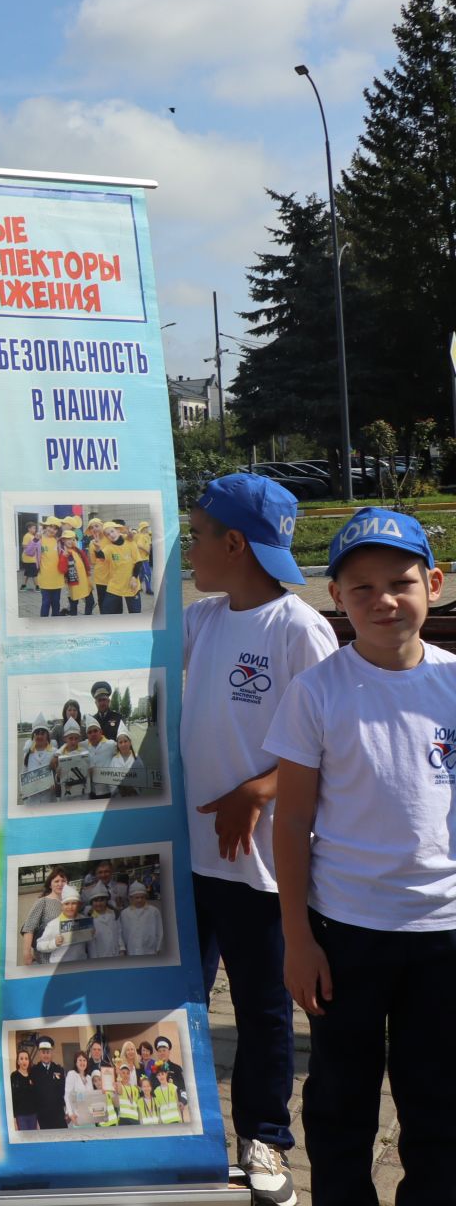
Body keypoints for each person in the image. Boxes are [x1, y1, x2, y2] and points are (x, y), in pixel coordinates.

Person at [269, 506, 456, 1204]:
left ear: (433, 584)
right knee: (341, 1103)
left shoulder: (451, 682)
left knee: (438, 1103)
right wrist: (296, 939)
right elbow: (290, 823)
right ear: (336, 599)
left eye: (400, 582)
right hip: (345, 934)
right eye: (362, 587)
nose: (383, 600)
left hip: (442, 935)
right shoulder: (317, 692)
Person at [182, 473, 331, 1205]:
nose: (191, 547)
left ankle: (267, 1138)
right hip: (189, 858)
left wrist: (258, 792)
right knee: (175, 1000)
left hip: (260, 867)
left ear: (234, 543)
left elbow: (331, 742)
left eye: (198, 535)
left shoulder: (298, 628)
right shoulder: (202, 621)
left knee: (263, 1010)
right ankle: (170, 1133)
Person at [20, 869, 69, 965]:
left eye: (63, 881)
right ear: (50, 885)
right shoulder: (43, 902)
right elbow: (29, 928)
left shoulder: (70, 903)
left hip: (65, 956)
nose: (60, 884)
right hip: (45, 958)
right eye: (56, 881)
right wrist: (27, 954)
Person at [94, 521, 143, 615]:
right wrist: (97, 548)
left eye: (112, 531)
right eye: (108, 534)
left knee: (135, 614)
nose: (111, 535)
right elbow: (101, 555)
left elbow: (138, 562)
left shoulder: (130, 543)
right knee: (106, 611)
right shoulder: (109, 548)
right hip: (115, 587)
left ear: (117, 530)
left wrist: (134, 578)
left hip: (131, 586)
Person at [36, 885, 90, 964]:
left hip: (81, 963)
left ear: (79, 905)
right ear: (62, 906)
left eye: (74, 903)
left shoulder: (84, 920)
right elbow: (39, 945)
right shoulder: (53, 924)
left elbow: (88, 943)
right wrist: (54, 943)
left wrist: (91, 933)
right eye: (67, 904)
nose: (70, 907)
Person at [27, 1037, 68, 1132]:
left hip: (58, 1114)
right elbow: (33, 1094)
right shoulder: (33, 1071)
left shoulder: (59, 1069)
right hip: (43, 1115)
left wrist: (66, 1110)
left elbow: (63, 1091)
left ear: (51, 1053)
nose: (46, 1055)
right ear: (39, 1054)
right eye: (43, 1052)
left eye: (48, 1052)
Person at [94, 731, 146, 797]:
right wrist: (119, 791)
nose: (123, 744)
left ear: (130, 742)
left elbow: (142, 779)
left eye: (125, 741)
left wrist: (133, 790)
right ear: (117, 745)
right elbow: (111, 781)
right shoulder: (114, 760)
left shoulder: (137, 759)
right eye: (120, 742)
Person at [122, 882, 164, 956]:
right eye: (137, 898)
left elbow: (159, 931)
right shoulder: (125, 913)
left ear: (145, 897)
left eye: (142, 897)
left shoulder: (154, 911)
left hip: (150, 950)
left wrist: (158, 948)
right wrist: (123, 948)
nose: (140, 900)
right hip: (132, 950)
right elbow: (122, 932)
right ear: (131, 898)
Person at [21, 724, 58, 806]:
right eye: (37, 734)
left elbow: (58, 774)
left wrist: (55, 784)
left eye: (42, 734)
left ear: (47, 735)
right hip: (32, 800)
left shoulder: (54, 752)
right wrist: (25, 791)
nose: (39, 736)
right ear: (33, 736)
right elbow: (24, 774)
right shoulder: (27, 754)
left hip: (49, 798)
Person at [35, 520, 65, 618]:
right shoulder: (39, 539)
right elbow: (29, 552)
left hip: (57, 578)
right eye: (50, 526)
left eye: (55, 528)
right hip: (45, 579)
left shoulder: (57, 541)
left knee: (56, 604)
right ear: (45, 526)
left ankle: (55, 626)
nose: (52, 530)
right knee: (46, 603)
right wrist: (35, 540)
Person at [61, 528, 93, 617]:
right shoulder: (63, 553)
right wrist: (64, 557)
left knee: (90, 601)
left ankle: (88, 617)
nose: (70, 541)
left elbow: (85, 561)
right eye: (68, 539)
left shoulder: (76, 550)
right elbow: (62, 569)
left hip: (84, 581)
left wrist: (88, 574)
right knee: (74, 604)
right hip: (73, 584)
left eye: (72, 539)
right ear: (63, 540)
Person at [56, 724, 93, 800]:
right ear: (65, 739)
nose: (73, 741)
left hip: (83, 796)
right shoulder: (60, 755)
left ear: (79, 739)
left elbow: (91, 772)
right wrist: (58, 775)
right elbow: (58, 779)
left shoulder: (85, 753)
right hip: (67, 797)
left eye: (76, 738)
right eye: (71, 738)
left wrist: (90, 771)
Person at [86, 892, 123, 960]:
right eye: (96, 901)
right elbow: (91, 944)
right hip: (100, 956)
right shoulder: (89, 918)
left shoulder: (114, 914)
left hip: (116, 953)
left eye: (102, 900)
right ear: (91, 902)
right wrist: (94, 958)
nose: (99, 904)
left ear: (106, 901)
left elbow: (119, 932)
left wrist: (122, 948)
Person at [10, 1049, 39, 1130]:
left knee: (33, 1139)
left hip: (33, 1114)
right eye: (21, 1058)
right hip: (21, 1115)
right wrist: (14, 1117)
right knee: (25, 1139)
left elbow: (36, 1096)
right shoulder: (14, 1076)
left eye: (26, 1059)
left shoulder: (32, 1075)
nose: (24, 1061)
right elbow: (12, 1097)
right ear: (18, 1062)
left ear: (29, 1061)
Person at [64, 1050, 93, 1129]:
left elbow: (91, 1097)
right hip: (77, 1116)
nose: (82, 1062)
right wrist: (70, 1114)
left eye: (84, 1060)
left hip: (89, 1116)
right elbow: (67, 1095)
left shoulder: (89, 1078)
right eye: (80, 1060)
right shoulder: (72, 1074)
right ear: (75, 1062)